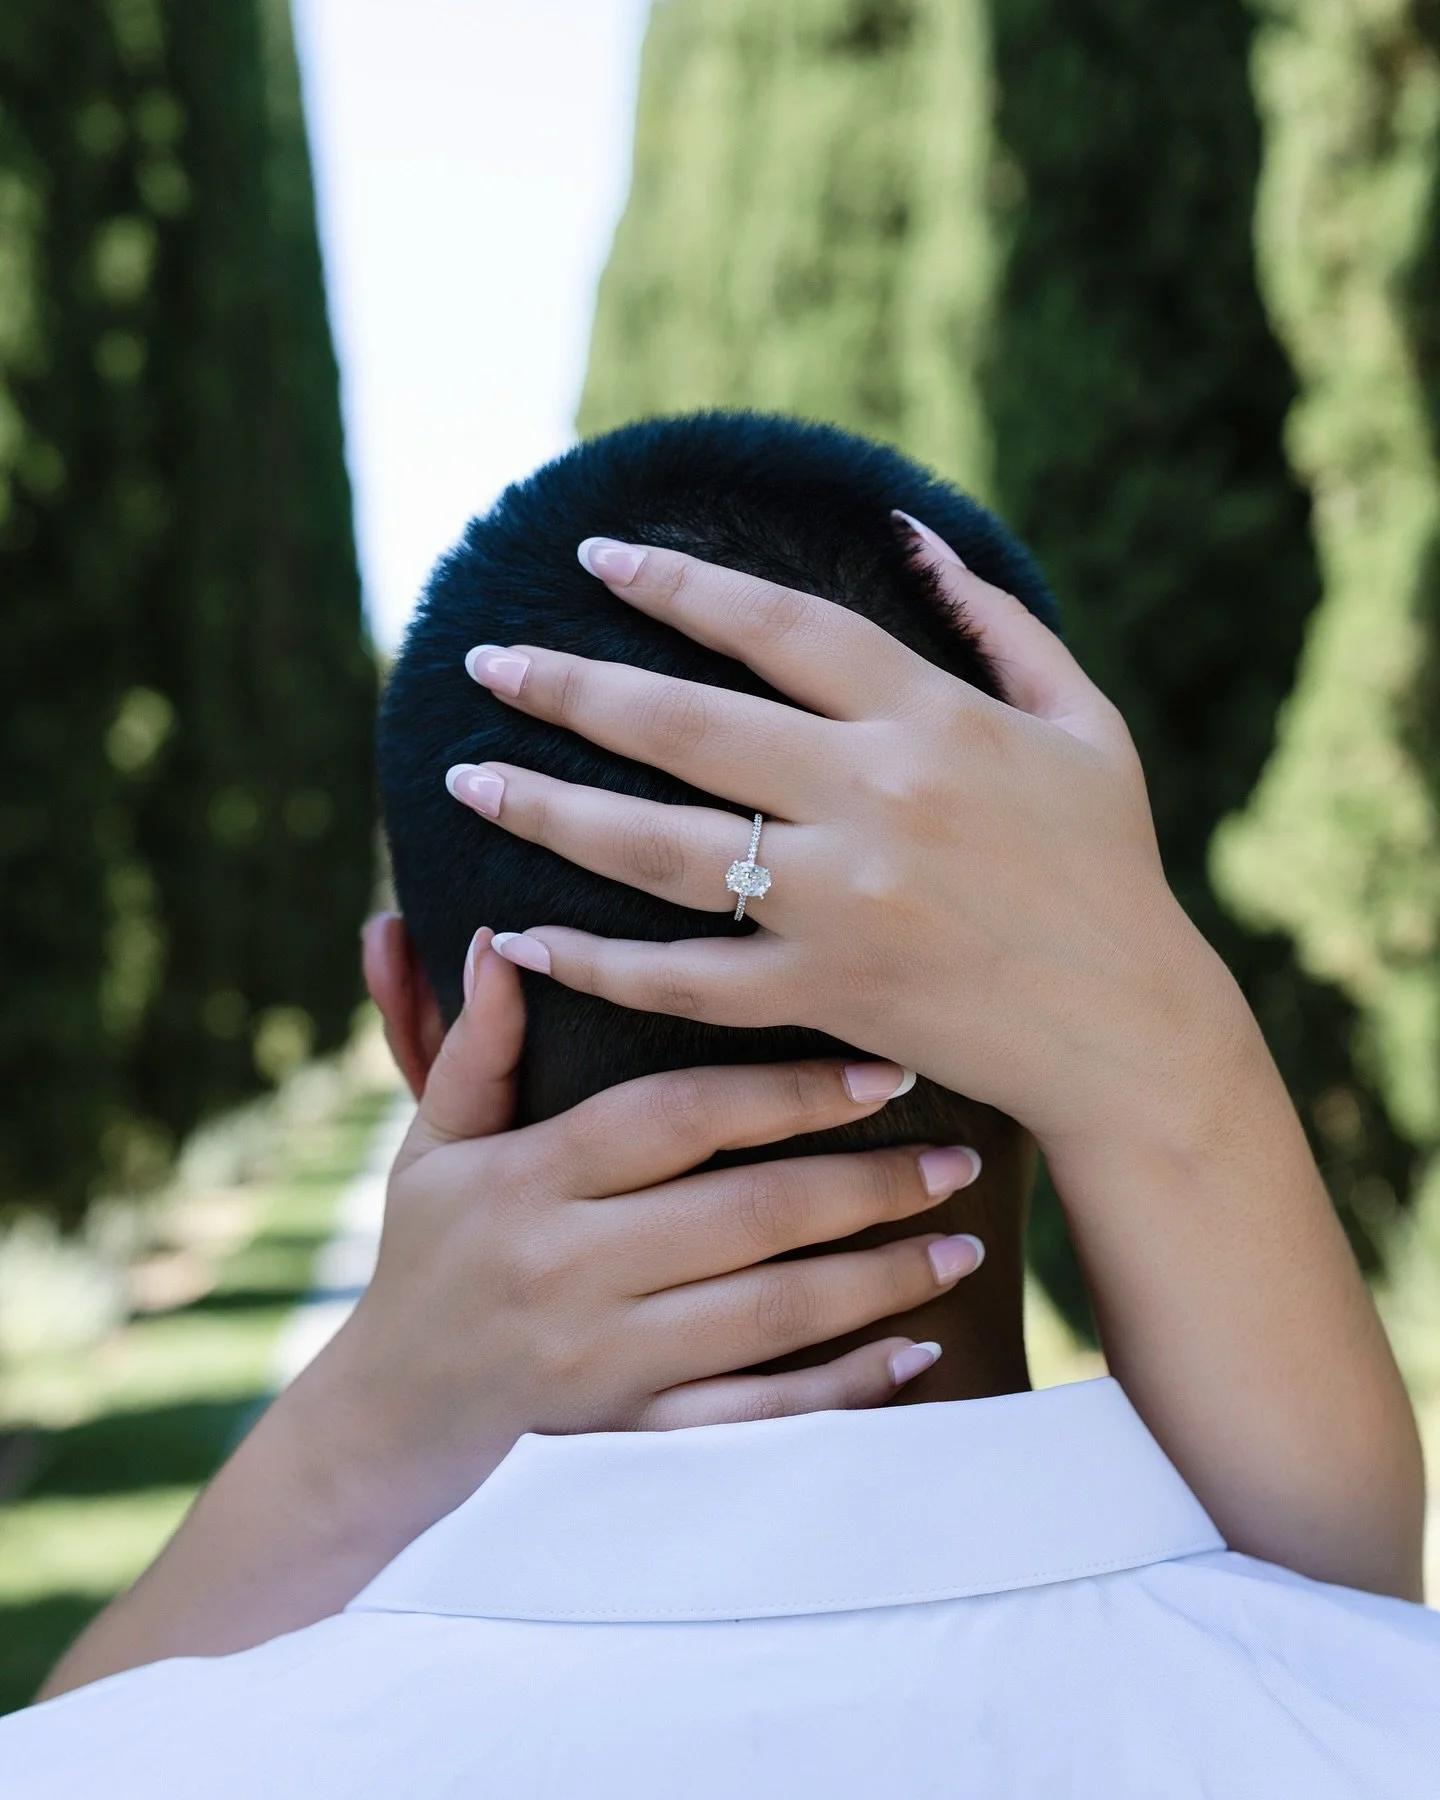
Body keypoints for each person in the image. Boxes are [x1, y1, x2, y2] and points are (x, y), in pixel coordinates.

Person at [5, 414, 1436, 1798]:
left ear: (413, 1018)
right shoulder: (1374, 1709)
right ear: (1056, 995)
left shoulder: (107, 1768)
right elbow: (1344, 1614)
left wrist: (350, 1445)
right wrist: (1174, 1055)